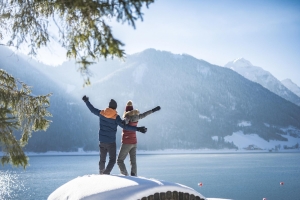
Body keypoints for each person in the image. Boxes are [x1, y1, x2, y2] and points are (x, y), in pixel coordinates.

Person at [82, 95, 147, 175]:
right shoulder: (116, 117)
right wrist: (138, 129)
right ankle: (106, 173)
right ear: (115, 108)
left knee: (102, 160)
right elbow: (125, 126)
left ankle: (101, 174)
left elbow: (92, 110)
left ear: (109, 107)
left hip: (102, 141)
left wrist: (86, 101)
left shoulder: (101, 113)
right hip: (111, 142)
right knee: (112, 160)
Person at [117, 100, 161, 176]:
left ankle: (125, 175)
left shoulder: (127, 117)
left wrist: (124, 122)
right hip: (134, 142)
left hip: (127, 142)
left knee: (119, 160)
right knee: (133, 161)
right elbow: (145, 114)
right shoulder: (137, 116)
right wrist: (154, 110)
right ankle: (134, 175)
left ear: (126, 110)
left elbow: (126, 121)